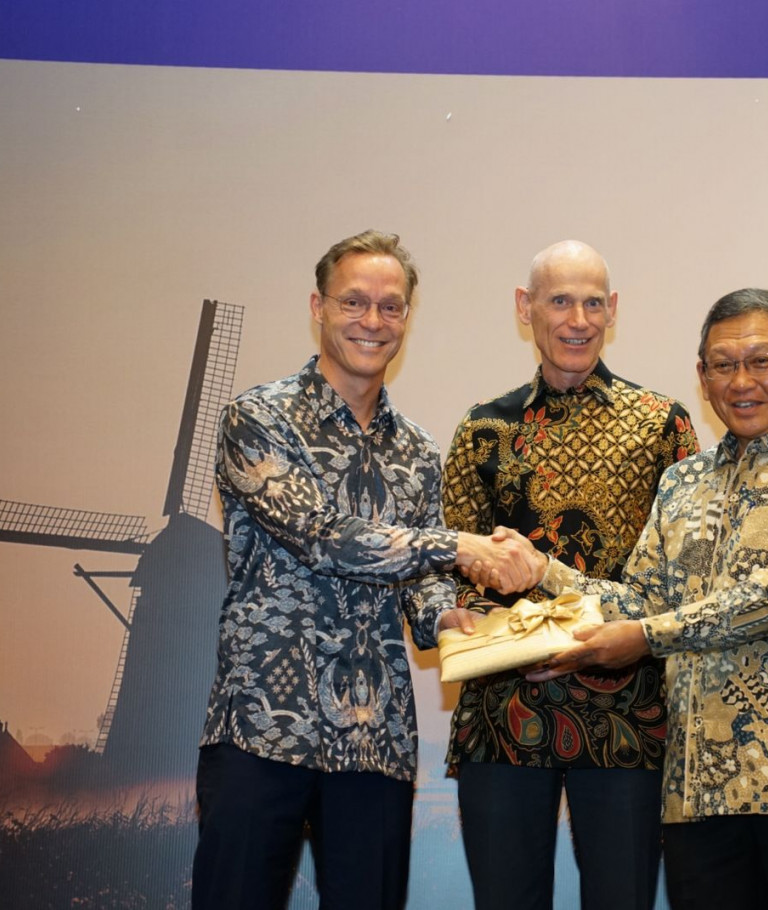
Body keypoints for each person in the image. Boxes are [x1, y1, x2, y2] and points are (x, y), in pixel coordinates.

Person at [192, 230, 536, 910]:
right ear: (317, 306)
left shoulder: (417, 449)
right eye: (355, 302)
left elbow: (419, 580)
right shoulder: (256, 419)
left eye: (390, 306)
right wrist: (461, 546)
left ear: (407, 317)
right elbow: (323, 539)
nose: (372, 322)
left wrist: (448, 616)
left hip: (374, 741)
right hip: (263, 728)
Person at [522, 288, 768, 909]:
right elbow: (639, 599)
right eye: (723, 365)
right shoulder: (681, 483)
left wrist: (646, 637)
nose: (742, 381)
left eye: (761, 361)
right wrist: (544, 571)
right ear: (702, 377)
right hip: (696, 798)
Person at [441, 240, 700, 910]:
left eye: (592, 302)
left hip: (629, 718)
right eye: (560, 300)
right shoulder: (481, 430)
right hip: (504, 713)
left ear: (612, 312)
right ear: (526, 309)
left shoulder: (663, 426)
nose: (577, 318)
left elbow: (684, 580)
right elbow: (455, 568)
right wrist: (474, 623)